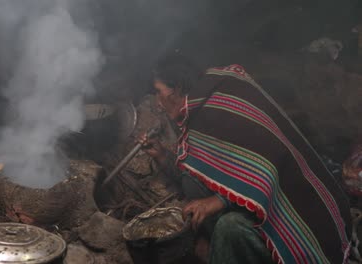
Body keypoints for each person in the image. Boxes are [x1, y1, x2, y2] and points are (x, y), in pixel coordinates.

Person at [140, 54, 352, 264]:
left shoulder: (222, 106)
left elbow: (270, 164)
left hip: (298, 215)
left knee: (229, 228)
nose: (158, 103)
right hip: (255, 208)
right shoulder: (197, 116)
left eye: (159, 92)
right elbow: (205, 176)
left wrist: (219, 201)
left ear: (176, 88)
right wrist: (163, 157)